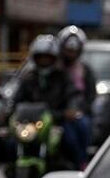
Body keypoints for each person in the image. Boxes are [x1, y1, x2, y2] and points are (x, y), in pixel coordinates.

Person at [12, 35, 84, 169]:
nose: (44, 60)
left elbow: (73, 94)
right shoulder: (28, 78)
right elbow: (17, 99)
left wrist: (71, 109)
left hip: (58, 120)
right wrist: (8, 112)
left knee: (71, 141)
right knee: (12, 141)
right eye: (40, 57)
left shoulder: (62, 76)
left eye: (47, 57)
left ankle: (78, 168)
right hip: (33, 122)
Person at [56, 25, 94, 168]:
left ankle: (81, 162)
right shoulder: (55, 69)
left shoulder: (85, 70)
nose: (71, 53)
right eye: (68, 50)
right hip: (57, 113)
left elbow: (90, 95)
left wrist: (79, 110)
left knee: (80, 130)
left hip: (78, 113)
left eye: (74, 50)